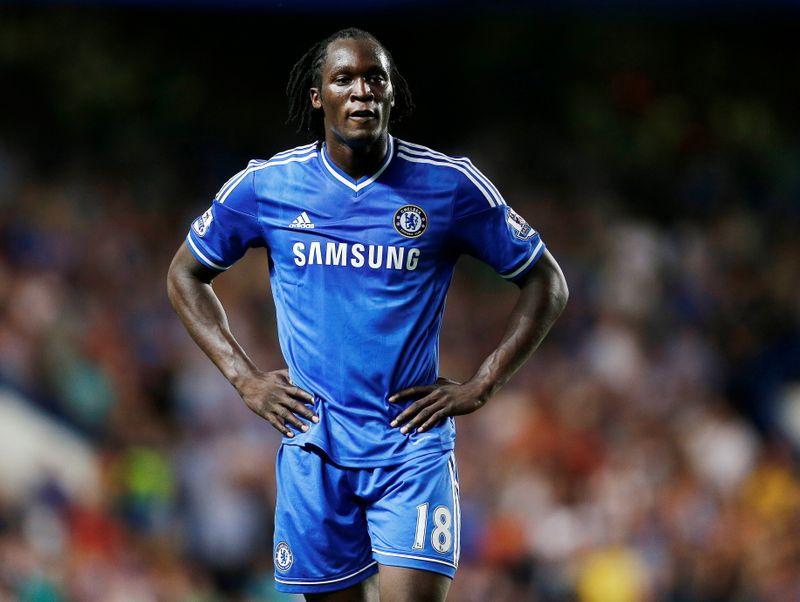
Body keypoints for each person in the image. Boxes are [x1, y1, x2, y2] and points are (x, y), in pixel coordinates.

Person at [167, 27, 568, 602]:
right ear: (317, 96)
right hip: (315, 445)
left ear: (390, 94)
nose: (361, 91)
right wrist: (245, 379)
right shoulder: (268, 186)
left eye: (374, 78)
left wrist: (483, 384)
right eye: (344, 79)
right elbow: (185, 273)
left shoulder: (448, 185)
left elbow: (546, 282)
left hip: (410, 444)